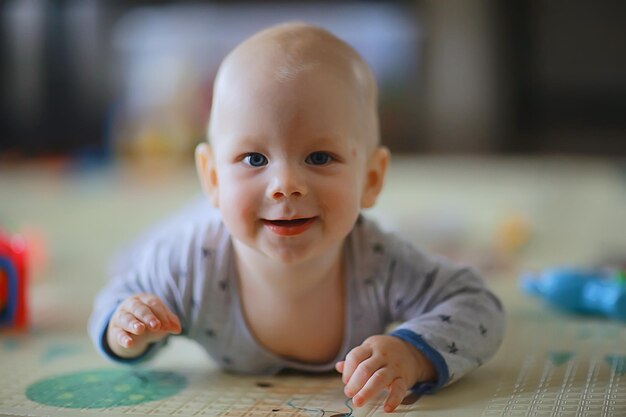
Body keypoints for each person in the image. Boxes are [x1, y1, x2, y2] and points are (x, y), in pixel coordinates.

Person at [89, 22, 505, 412]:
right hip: (199, 227)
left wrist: (414, 354)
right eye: (254, 158)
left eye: (320, 157)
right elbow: (114, 301)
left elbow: (478, 306)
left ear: (371, 179)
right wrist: (127, 330)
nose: (285, 184)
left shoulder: (380, 262)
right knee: (135, 257)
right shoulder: (187, 264)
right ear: (212, 177)